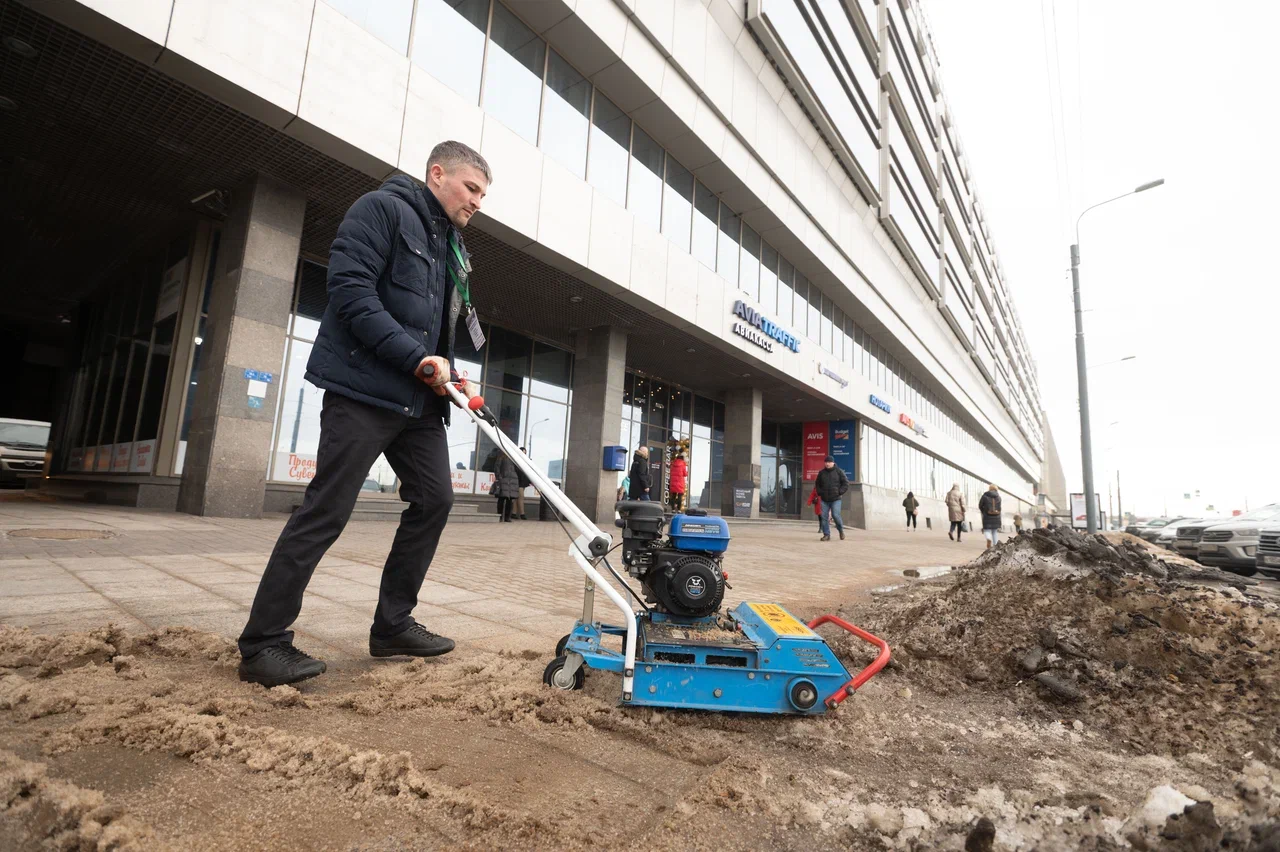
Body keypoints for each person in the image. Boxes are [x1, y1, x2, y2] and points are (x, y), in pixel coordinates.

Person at [235, 141, 491, 688]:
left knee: (436, 498)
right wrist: (416, 358)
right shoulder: (381, 210)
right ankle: (263, 644)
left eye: (483, 195)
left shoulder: (450, 245)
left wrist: (449, 370)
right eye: (471, 188)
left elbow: (433, 327)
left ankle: (392, 624)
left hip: (419, 401)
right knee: (326, 509)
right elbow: (350, 294)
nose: (477, 202)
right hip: (364, 391)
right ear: (437, 173)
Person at [813, 455, 849, 542]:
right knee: (824, 517)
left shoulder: (839, 472)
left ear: (833, 463)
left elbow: (846, 483)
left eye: (829, 462)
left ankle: (841, 530)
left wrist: (840, 492)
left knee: (835, 515)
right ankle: (826, 535)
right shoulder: (821, 473)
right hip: (824, 499)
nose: (827, 464)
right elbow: (817, 484)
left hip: (836, 499)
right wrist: (820, 492)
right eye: (826, 462)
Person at [492, 450, 520, 523]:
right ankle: (500, 516)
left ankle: (507, 517)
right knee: (502, 498)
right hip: (504, 480)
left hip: (512, 481)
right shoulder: (501, 456)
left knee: (510, 500)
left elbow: (518, 470)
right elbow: (497, 467)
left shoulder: (515, 459)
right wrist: (499, 477)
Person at [978, 484, 1003, 549]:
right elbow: (1000, 507)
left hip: (987, 515)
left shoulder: (985, 496)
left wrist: (983, 511)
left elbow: (980, 505)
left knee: (987, 530)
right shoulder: (998, 497)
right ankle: (995, 545)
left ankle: (988, 538)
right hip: (996, 516)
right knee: (994, 531)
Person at [514, 446, 531, 519]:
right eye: (522, 453)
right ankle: (522, 514)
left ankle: (514, 513)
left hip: (522, 481)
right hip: (518, 481)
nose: (524, 455)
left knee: (517, 498)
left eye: (525, 453)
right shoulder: (517, 461)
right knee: (520, 497)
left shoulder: (523, 461)